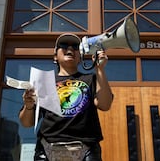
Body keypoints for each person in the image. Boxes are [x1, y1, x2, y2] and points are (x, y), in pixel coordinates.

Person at [19, 33, 114, 161]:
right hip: (47, 148)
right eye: (64, 46)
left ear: (80, 57)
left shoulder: (91, 78)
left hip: (86, 148)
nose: (70, 50)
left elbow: (104, 105)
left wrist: (100, 69)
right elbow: (27, 123)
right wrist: (29, 106)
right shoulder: (44, 82)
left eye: (75, 47)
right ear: (55, 56)